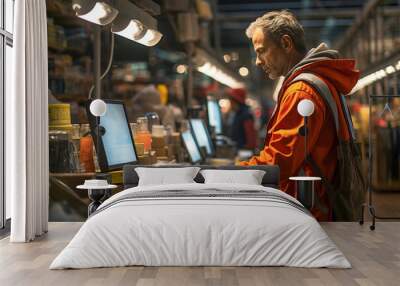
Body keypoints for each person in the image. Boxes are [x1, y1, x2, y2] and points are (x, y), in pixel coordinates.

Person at [240, 10, 360, 220]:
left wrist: (230, 172)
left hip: (310, 212)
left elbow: (278, 162)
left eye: (262, 51)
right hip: (318, 205)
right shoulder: (315, 80)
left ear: (286, 43)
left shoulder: (301, 92)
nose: (258, 61)